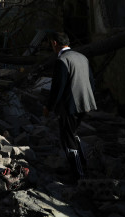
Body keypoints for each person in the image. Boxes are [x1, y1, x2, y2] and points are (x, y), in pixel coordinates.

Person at [42, 31, 96, 182]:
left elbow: (57, 87)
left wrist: (49, 107)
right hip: (85, 103)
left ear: (54, 43)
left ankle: (78, 175)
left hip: (70, 106)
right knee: (73, 133)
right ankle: (83, 164)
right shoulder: (82, 57)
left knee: (67, 138)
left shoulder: (62, 60)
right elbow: (91, 81)